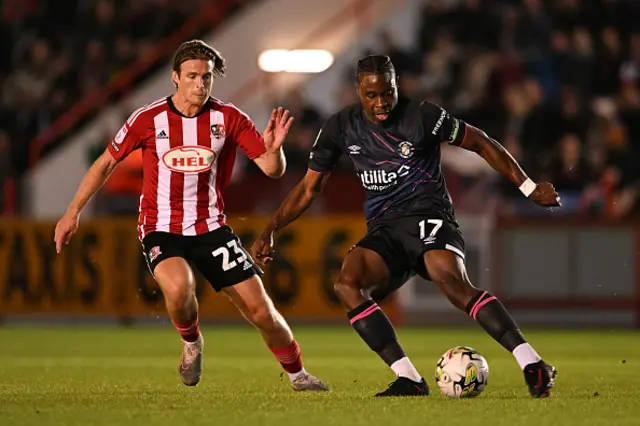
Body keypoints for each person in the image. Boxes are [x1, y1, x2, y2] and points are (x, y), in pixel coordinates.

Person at [251, 55, 559, 398]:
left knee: (450, 280)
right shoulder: (340, 126)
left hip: (429, 214)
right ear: (358, 91)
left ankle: (531, 362)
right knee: (347, 283)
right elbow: (309, 188)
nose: (381, 103)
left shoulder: (423, 116)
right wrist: (270, 229)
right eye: (372, 96)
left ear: (396, 86)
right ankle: (409, 378)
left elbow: (482, 142)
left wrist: (528, 187)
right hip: (386, 228)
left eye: (388, 93)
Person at [54, 40, 330, 392]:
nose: (201, 84)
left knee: (261, 311)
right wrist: (72, 213)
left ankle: (298, 375)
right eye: (193, 76)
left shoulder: (228, 118)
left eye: (207, 77)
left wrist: (275, 151)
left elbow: (271, 169)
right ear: (175, 77)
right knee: (181, 288)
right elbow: (106, 162)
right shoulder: (148, 118)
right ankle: (192, 342)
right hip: (161, 228)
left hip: (211, 228)